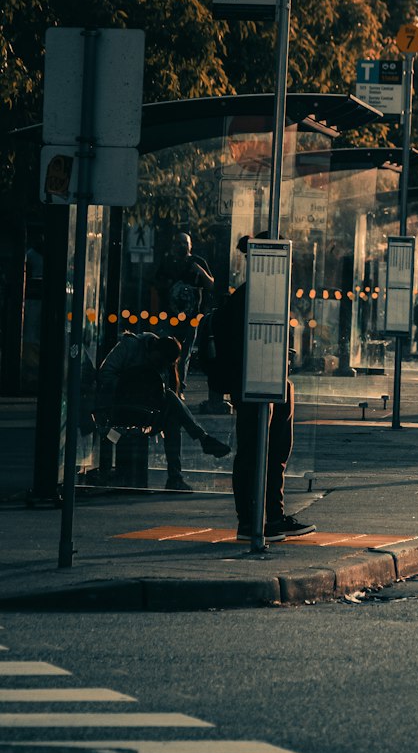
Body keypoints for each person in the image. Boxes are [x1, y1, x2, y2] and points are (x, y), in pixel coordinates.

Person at [209, 235, 316, 542]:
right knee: (255, 452)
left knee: (274, 451)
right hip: (256, 385)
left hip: (273, 381)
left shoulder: (265, 293)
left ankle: (272, 517)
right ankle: (253, 521)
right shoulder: (250, 296)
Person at [97, 332, 231, 492]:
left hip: (147, 410)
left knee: (172, 418)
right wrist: (134, 386)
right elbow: (105, 374)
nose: (158, 365)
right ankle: (202, 439)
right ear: (153, 349)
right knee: (169, 398)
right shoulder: (130, 346)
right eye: (158, 361)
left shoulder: (162, 363)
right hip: (122, 406)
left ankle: (175, 477)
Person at [154, 231, 215, 392]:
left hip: (190, 318)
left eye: (185, 243)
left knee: (184, 354)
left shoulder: (198, 262)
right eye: (178, 243)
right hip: (168, 315)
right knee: (165, 351)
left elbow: (210, 284)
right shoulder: (167, 262)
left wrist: (200, 271)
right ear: (173, 245)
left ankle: (179, 388)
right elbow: (155, 284)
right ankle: (164, 386)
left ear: (190, 245)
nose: (181, 246)